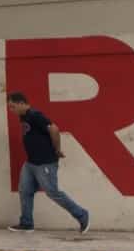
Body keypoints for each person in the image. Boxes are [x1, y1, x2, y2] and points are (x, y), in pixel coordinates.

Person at [8, 92, 90, 233]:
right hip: (31, 163)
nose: (11, 110)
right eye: (10, 107)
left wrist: (57, 149)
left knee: (53, 192)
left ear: (22, 103)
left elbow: (54, 129)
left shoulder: (34, 115)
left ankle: (82, 215)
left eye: (13, 107)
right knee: (25, 190)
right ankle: (27, 223)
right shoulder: (23, 116)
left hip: (45, 163)